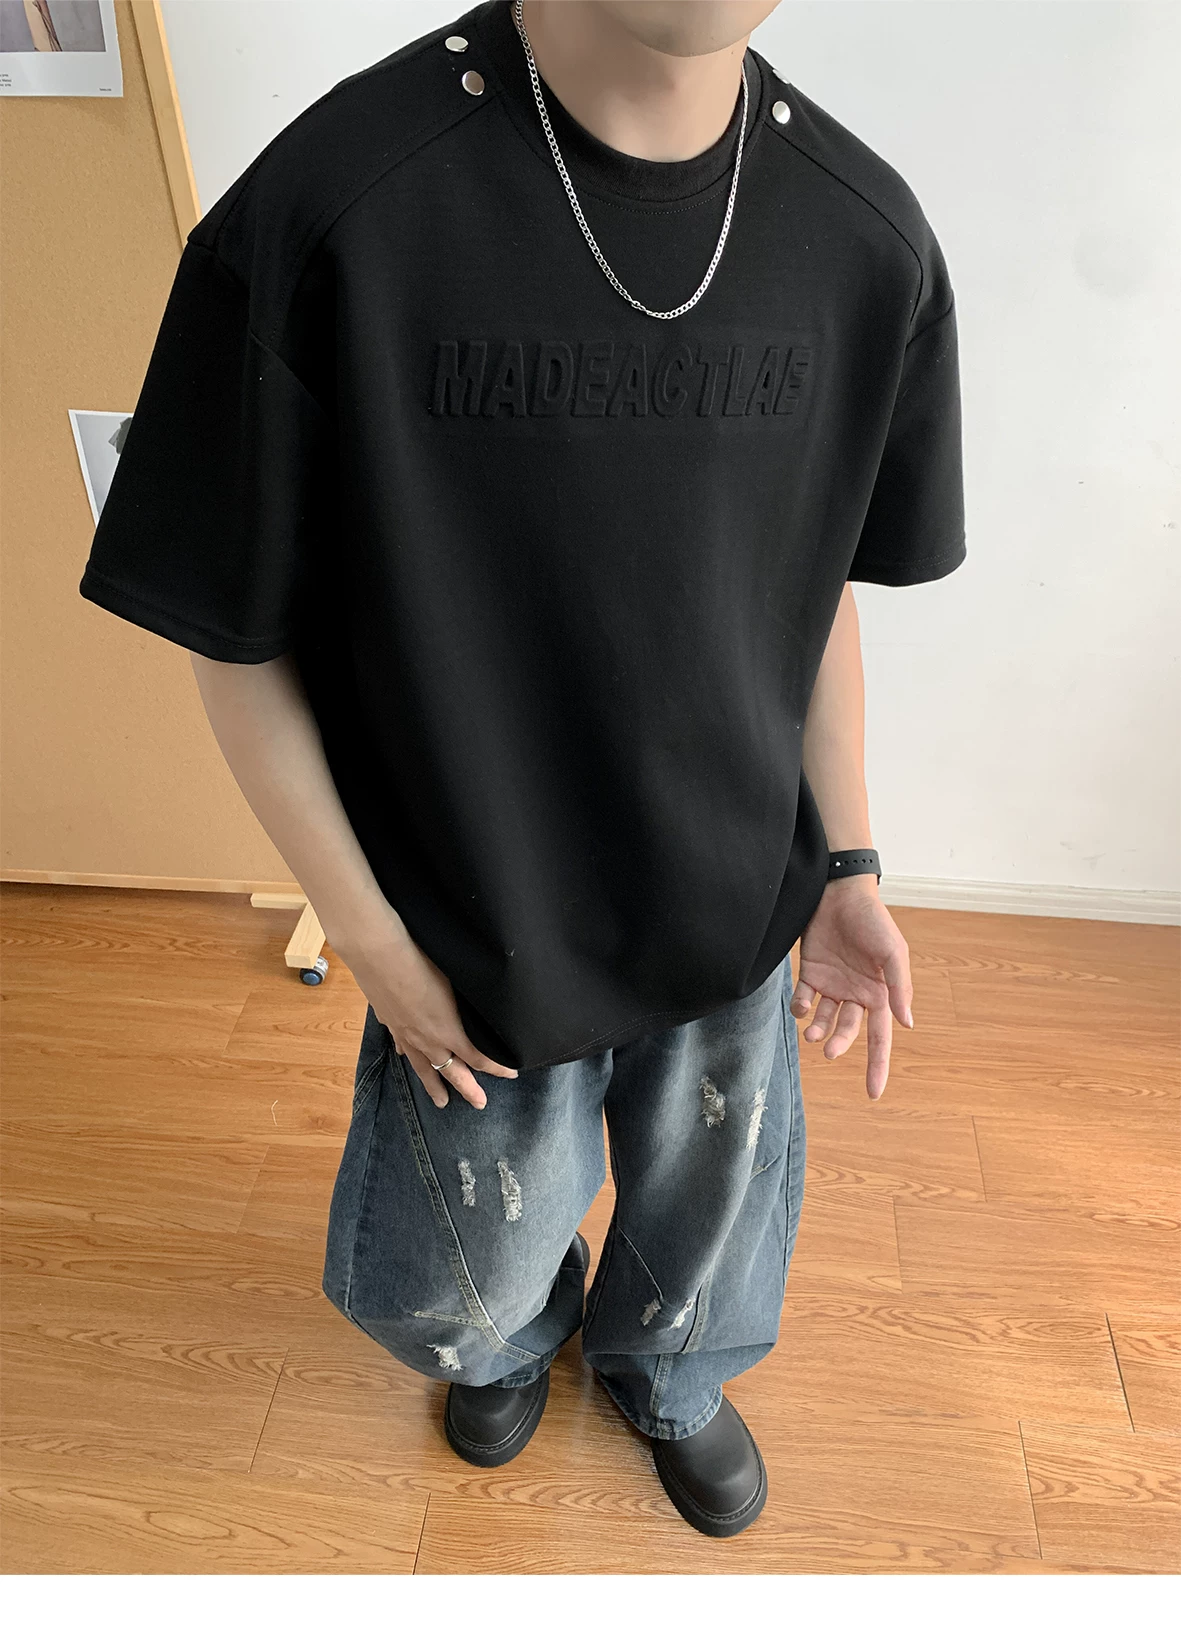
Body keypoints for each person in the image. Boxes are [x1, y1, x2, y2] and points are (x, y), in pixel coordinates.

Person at [79, 0, 965, 1538]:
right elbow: (234, 628)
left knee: (712, 1210)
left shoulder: (860, 239)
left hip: (733, 897)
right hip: (467, 923)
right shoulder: (335, 212)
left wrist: (850, 863)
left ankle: (669, 1367)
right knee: (463, 1263)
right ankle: (511, 1335)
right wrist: (373, 939)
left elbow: (808, 581)